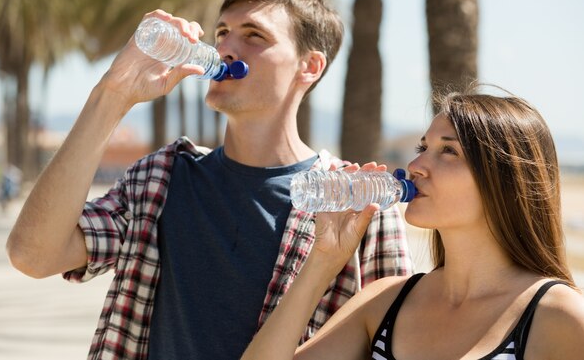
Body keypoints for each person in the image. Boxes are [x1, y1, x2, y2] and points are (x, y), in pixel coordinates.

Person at [5, 0, 413, 360]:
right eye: (222, 33)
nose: (226, 49)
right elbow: (33, 255)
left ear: (309, 66)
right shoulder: (161, 179)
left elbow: (394, 342)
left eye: (254, 35)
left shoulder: (357, 207)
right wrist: (112, 95)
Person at [239, 88, 584, 360]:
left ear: (505, 181)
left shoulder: (558, 317)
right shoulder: (386, 301)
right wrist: (324, 259)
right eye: (423, 147)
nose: (416, 165)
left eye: (448, 151)